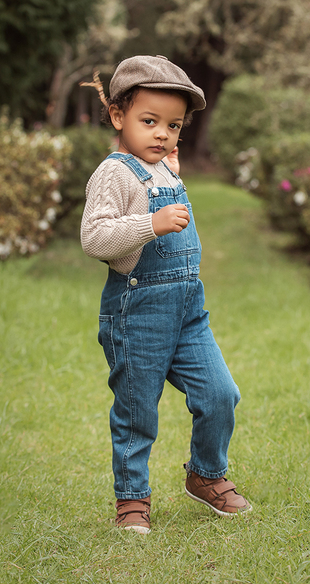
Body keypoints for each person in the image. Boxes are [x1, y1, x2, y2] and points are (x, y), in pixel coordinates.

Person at [80, 55, 251, 534]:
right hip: (138, 313)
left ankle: (205, 474)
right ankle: (132, 499)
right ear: (118, 116)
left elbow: (164, 195)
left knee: (220, 394)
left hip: (188, 312)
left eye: (173, 126)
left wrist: (170, 174)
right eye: (149, 121)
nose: (162, 134)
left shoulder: (163, 167)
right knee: (137, 412)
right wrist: (149, 224)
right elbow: (95, 237)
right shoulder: (114, 173)